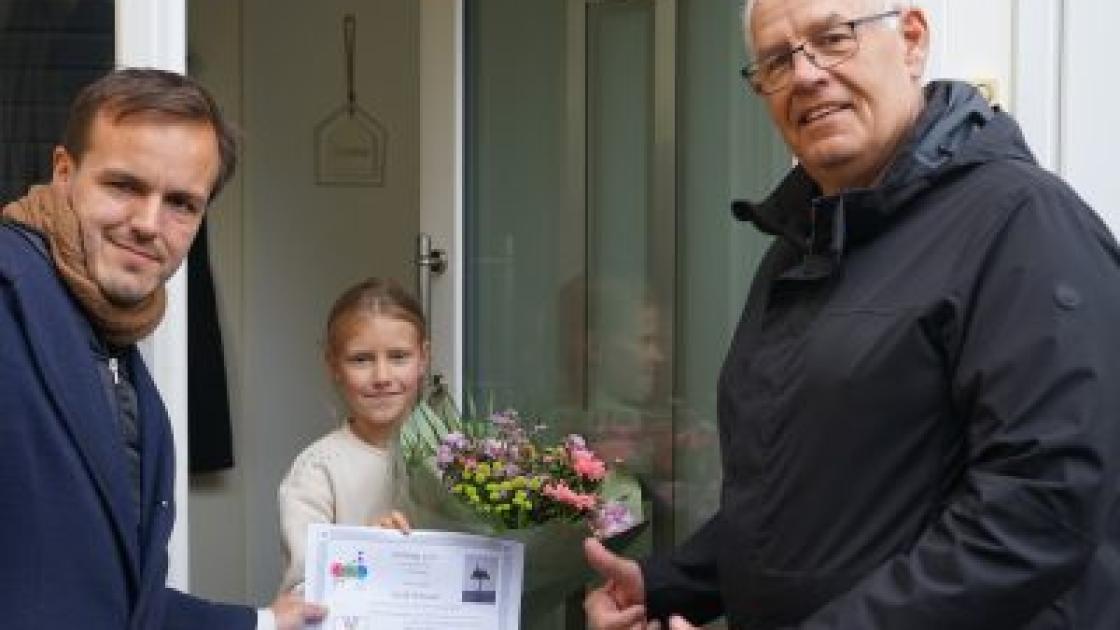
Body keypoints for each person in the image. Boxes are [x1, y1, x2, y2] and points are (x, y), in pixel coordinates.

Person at [583, 0, 1120, 628]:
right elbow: (802, 497)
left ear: (912, 40)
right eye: (776, 61)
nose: (806, 75)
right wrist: (667, 585)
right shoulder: (800, 245)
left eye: (834, 38)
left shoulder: (1023, 225)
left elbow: (1035, 514)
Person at [0, 68, 325, 629]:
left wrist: (264, 623)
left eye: (181, 203)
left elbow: (112, 597)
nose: (149, 224)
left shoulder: (106, 335)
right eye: (124, 186)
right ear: (64, 173)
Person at [277, 277, 426, 593]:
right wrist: (366, 552)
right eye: (361, 359)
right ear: (334, 366)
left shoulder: (455, 463)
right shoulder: (317, 470)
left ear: (423, 358)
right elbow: (303, 589)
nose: (382, 376)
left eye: (399, 356)